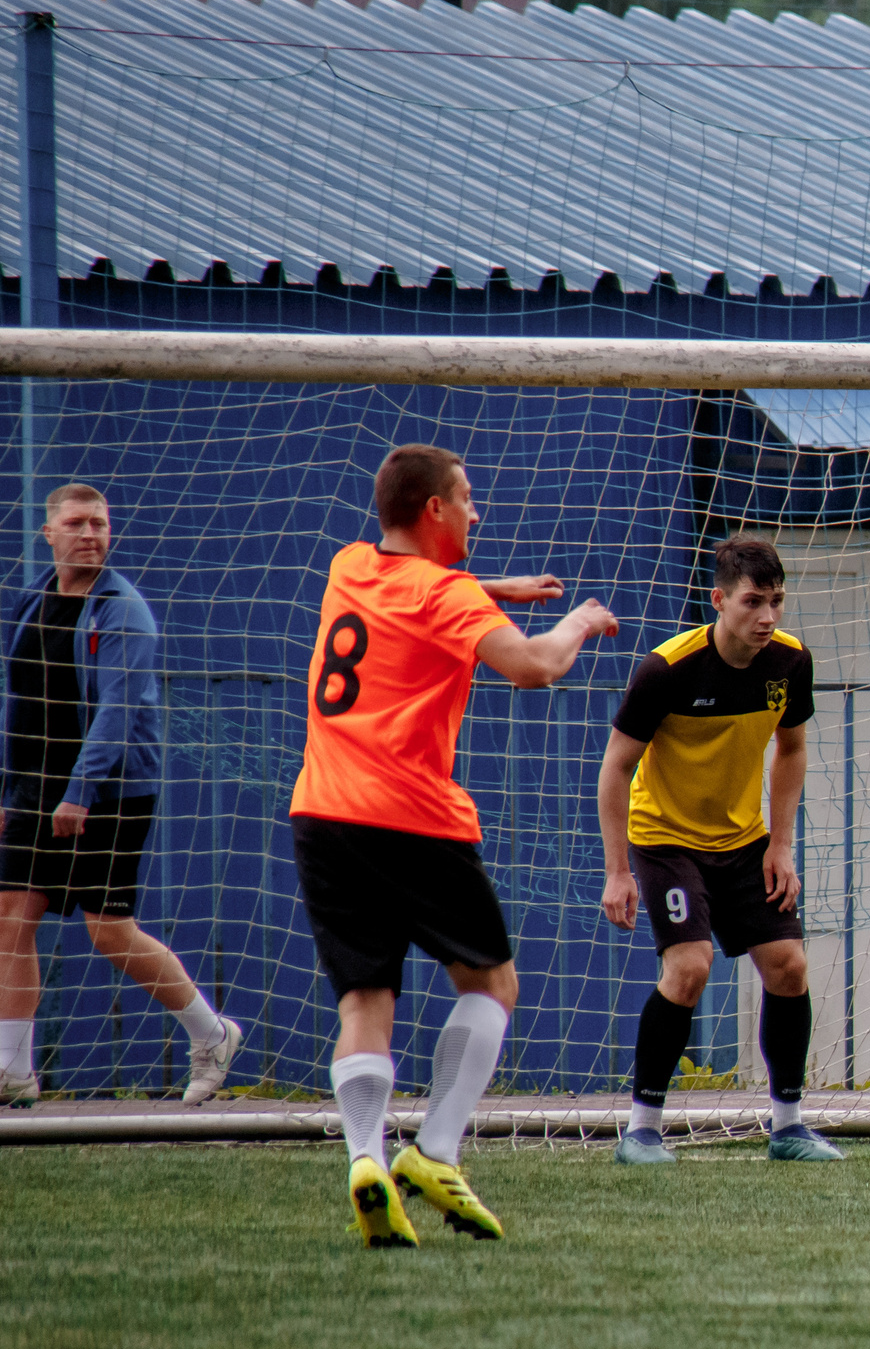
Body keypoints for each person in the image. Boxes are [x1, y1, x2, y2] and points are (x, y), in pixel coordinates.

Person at [294, 444, 618, 1247]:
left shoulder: (350, 565)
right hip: (411, 816)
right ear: (434, 509)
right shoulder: (448, 599)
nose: (477, 511)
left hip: (322, 813)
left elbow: (422, 591)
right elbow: (534, 667)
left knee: (365, 1001)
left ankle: (366, 1159)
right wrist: (578, 619)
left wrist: (492, 587)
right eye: (467, 498)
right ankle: (435, 1149)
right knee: (492, 983)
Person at [0, 484, 241, 1107]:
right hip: (33, 790)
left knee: (107, 931)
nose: (91, 534)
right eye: (77, 523)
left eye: (101, 524)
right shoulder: (31, 603)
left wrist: (80, 793)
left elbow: (117, 709)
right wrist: (9, 787)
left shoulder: (121, 610)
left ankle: (210, 1033)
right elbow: (17, 703)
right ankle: (13, 1072)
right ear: (47, 532)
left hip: (109, 791)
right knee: (11, 921)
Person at [599, 534, 836, 1166]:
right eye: (753, 602)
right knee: (691, 967)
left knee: (788, 966)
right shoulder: (665, 670)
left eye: (777, 602)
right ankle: (642, 1130)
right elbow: (617, 768)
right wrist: (617, 872)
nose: (767, 617)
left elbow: (791, 749)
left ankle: (788, 1128)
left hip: (742, 842)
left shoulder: (790, 663)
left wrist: (781, 844)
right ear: (719, 600)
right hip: (665, 840)